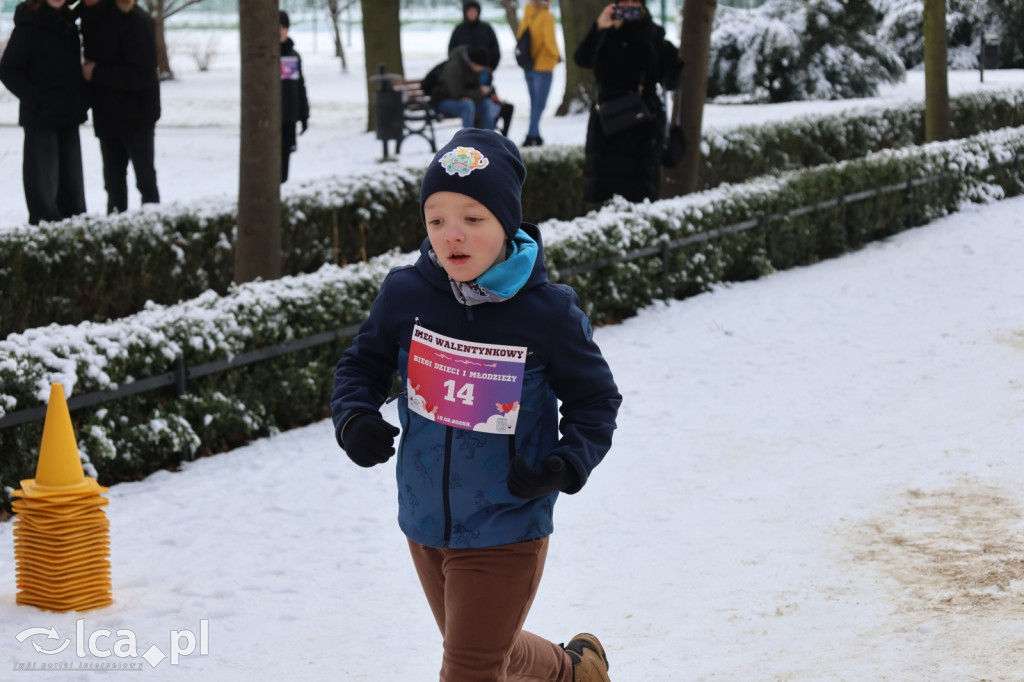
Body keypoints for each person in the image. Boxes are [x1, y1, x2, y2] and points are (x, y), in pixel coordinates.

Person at [331, 128, 621, 682]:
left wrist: (567, 461)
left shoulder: (547, 313)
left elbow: (595, 399)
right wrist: (354, 417)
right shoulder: (406, 294)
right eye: (436, 220)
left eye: (472, 218)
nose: (451, 236)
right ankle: (575, 673)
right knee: (492, 652)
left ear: (506, 222)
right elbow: (361, 366)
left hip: (508, 518)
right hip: (422, 518)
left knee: (469, 667)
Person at [574, 0, 683, 204]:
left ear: (642, 7)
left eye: (633, 4)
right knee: (604, 195)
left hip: (641, 129)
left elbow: (672, 78)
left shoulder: (654, 37)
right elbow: (582, 59)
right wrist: (599, 26)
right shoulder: (603, 35)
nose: (628, 8)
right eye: (623, 4)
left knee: (639, 196)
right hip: (607, 125)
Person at [0, 0, 88, 225]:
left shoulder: (68, 25)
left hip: (68, 117)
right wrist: (38, 100)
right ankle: (45, 238)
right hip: (41, 120)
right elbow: (8, 70)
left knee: (73, 190)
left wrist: (81, 99)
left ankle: (74, 235)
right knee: (44, 191)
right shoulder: (28, 26)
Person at [79, 0, 161, 214]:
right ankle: (115, 239)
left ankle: (153, 234)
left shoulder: (134, 19)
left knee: (145, 182)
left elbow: (143, 74)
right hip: (106, 113)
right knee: (113, 185)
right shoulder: (84, 14)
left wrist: (96, 73)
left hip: (137, 113)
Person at [516, 0, 560, 147]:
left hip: (528, 65)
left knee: (534, 103)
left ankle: (535, 134)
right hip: (543, 66)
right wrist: (556, 56)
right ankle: (531, 135)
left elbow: (521, 35)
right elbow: (549, 41)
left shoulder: (527, 13)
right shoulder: (546, 16)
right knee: (539, 105)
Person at [429, 45, 500, 132]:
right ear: (474, 63)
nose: (483, 69)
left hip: (463, 100)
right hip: (442, 101)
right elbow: (457, 94)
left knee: (487, 103)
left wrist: (486, 93)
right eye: (482, 66)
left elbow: (473, 90)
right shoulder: (454, 67)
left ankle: (490, 139)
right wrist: (480, 92)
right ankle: (468, 140)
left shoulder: (473, 68)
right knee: (468, 105)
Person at [279, 10, 309, 183]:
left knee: (285, 160)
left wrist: (304, 115)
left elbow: (300, 87)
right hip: (270, 119)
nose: (281, 31)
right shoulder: (266, 57)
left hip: (289, 118)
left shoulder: (293, 56)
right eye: (278, 27)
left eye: (284, 27)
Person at [448, 0, 501, 74]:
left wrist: (491, 67)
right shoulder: (459, 30)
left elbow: (495, 49)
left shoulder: (486, 29)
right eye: (469, 11)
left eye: (474, 11)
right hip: (462, 71)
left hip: (484, 69)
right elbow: (452, 51)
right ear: (465, 12)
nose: (472, 14)